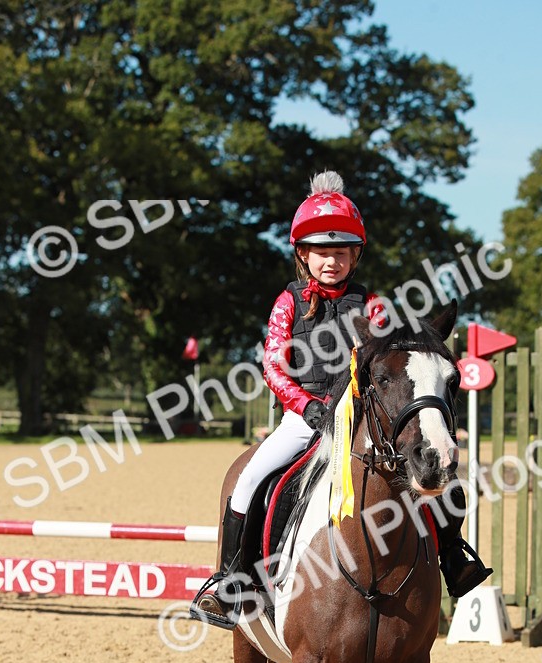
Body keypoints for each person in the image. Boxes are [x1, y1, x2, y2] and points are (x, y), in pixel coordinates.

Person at [191, 171, 490, 628]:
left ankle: (453, 557)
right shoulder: (287, 302)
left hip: (356, 418)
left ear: (355, 256)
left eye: (341, 252)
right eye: (321, 252)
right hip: (302, 419)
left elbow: (390, 363)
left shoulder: (373, 306)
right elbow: (273, 365)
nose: (331, 260)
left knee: (439, 479)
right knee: (249, 480)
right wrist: (306, 406)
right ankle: (230, 582)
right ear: (303, 255)